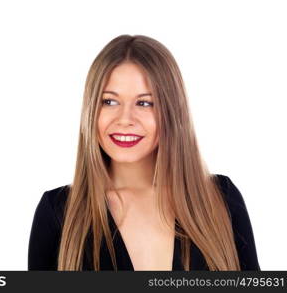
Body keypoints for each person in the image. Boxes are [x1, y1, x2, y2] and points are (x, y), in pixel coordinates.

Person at [28, 34, 260, 271]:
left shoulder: (220, 199)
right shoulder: (58, 213)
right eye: (109, 102)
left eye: (145, 103)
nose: (125, 119)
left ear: (172, 112)